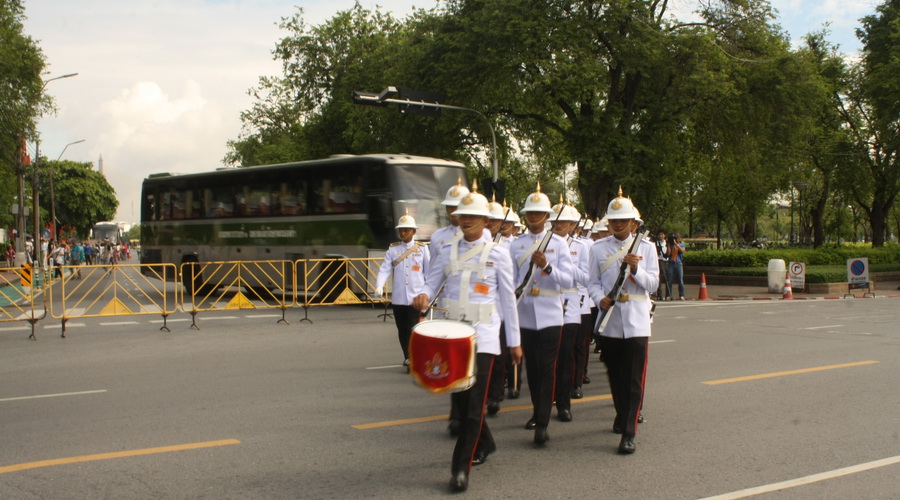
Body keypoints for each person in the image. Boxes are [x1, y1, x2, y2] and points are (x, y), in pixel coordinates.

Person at [411, 189, 522, 493]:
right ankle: (486, 442)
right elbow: (432, 282)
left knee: (473, 406)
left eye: (473, 216)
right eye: (463, 215)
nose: (467, 220)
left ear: (486, 221)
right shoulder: (447, 249)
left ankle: (459, 469)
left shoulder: (498, 254)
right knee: (461, 401)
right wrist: (422, 296)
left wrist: (514, 342)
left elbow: (508, 301)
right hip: (453, 334)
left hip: (484, 336)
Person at [588, 188, 658, 454]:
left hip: (637, 319)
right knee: (616, 376)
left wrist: (636, 269)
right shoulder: (597, 248)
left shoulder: (646, 248)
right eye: (614, 221)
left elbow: (653, 283)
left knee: (633, 379)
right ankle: (621, 413)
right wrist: (600, 299)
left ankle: (629, 432)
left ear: (633, 223)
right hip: (611, 320)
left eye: (623, 220)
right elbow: (592, 282)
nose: (618, 224)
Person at [510, 183, 574, 445]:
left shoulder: (558, 244)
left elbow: (568, 280)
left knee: (547, 368)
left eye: (539, 213)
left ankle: (543, 422)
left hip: (550, 314)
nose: (534, 217)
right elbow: (512, 279)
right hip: (524, 312)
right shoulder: (516, 244)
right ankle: (537, 411)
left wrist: (547, 266)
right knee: (533, 369)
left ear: (547, 216)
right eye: (530, 213)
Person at [374, 211, 430, 370]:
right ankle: (407, 357)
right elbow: (385, 269)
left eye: (406, 230)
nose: (403, 233)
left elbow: (428, 273)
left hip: (415, 297)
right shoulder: (393, 249)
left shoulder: (422, 249)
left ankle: (413, 358)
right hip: (399, 298)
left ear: (414, 231)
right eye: (401, 230)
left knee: (412, 329)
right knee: (402, 329)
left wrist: (428, 294)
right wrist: (379, 285)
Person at [550, 200, 587, 420]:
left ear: (573, 225)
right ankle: (543, 405)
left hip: (569, 305)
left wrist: (567, 266)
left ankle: (563, 404)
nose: (558, 225)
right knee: (546, 359)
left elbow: (586, 277)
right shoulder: (544, 243)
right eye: (555, 221)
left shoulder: (581, 247)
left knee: (565, 356)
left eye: (564, 221)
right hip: (546, 303)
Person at [667, 233, 686, 300]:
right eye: (676, 237)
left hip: (678, 263)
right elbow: (668, 253)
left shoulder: (681, 245)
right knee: (669, 280)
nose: (677, 238)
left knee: (680, 280)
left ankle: (681, 295)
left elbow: (682, 250)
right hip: (671, 263)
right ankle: (669, 295)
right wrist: (668, 244)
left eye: (679, 237)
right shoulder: (671, 245)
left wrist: (676, 244)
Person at [654, 230, 670, 300]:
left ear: (665, 235)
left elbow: (668, 253)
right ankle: (659, 294)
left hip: (665, 261)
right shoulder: (656, 243)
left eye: (662, 234)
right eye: (660, 234)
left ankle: (668, 295)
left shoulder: (666, 243)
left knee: (667, 278)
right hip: (659, 260)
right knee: (659, 278)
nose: (661, 236)